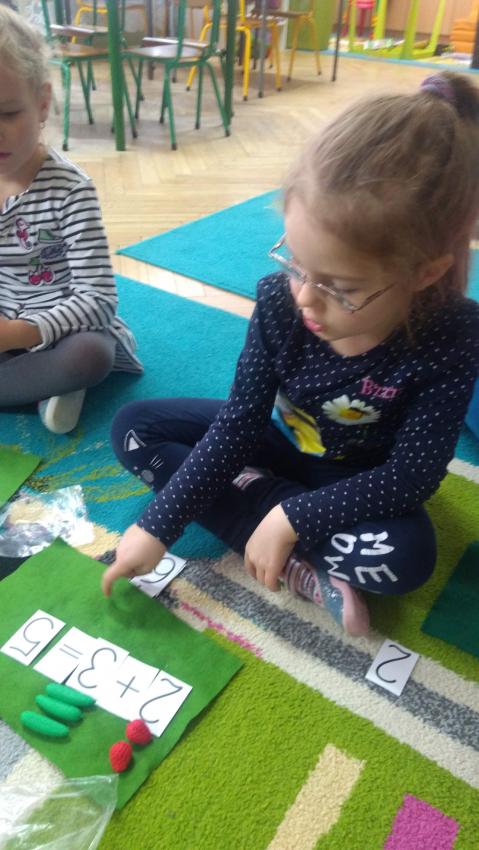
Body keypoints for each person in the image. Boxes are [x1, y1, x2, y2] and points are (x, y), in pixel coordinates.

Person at [103, 71, 479, 637]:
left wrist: (291, 516)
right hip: (277, 443)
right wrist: (159, 525)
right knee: (133, 428)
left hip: (359, 483)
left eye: (340, 288)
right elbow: (238, 425)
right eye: (295, 263)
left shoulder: (454, 334)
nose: (305, 297)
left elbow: (410, 476)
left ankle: (269, 519)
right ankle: (292, 546)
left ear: (425, 274)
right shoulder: (281, 301)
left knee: (406, 561)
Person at [0, 6, 142, 435]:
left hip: (65, 327)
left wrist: (17, 334)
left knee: (90, 356)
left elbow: (98, 301)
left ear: (42, 103)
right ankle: (39, 388)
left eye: (8, 114)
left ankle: (41, 382)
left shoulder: (70, 189)